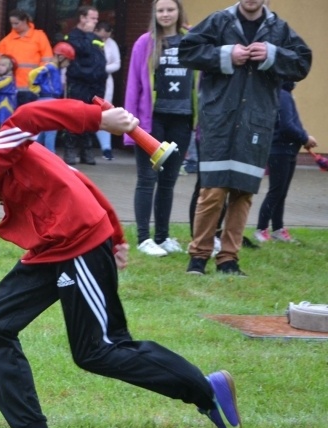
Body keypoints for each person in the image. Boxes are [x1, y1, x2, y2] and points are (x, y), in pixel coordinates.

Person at [0, 98, 243, 428]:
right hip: (54, 245)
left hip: (75, 243)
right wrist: (115, 230)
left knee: (99, 349)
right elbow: (63, 171)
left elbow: (27, 118)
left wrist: (99, 120)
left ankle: (207, 391)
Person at [179, 0, 311, 275]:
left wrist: (272, 54)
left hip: (256, 123)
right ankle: (198, 258)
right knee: (212, 191)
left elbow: (302, 62)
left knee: (243, 192)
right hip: (219, 121)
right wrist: (225, 55)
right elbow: (187, 52)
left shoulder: (279, 29)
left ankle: (229, 259)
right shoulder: (219, 21)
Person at [124, 0, 196, 258]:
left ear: (179, 12)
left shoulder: (192, 40)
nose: (165, 14)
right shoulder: (145, 43)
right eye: (160, 10)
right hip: (151, 123)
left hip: (182, 120)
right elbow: (133, 85)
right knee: (147, 179)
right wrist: (131, 126)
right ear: (154, 14)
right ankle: (144, 238)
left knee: (168, 182)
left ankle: (163, 237)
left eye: (170, 9)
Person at [254, 81, 317, 243]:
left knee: (281, 193)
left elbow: (293, 123)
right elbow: (287, 126)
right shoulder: (282, 95)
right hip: (279, 151)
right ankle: (261, 229)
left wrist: (303, 138)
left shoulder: (285, 94)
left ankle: (278, 229)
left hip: (288, 151)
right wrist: (305, 138)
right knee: (275, 192)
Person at [62, 5, 107, 166]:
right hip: (79, 84)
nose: (96, 22)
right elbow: (80, 54)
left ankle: (87, 151)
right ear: (82, 18)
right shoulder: (72, 37)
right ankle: (70, 151)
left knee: (91, 117)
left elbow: (101, 60)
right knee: (75, 117)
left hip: (95, 85)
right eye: (93, 18)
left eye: (96, 18)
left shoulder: (95, 37)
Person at [0, 9, 54, 107]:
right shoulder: (7, 40)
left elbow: (47, 62)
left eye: (16, 23)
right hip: (10, 89)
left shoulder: (39, 36)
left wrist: (39, 80)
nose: (13, 26)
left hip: (32, 89)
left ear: (25, 21)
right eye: (11, 24)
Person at [29, 42, 75, 152]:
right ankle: (51, 156)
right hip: (48, 100)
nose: (68, 64)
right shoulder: (50, 68)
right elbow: (32, 75)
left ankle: (32, 152)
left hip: (48, 99)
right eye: (68, 60)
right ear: (61, 57)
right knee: (51, 130)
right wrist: (36, 89)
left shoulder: (55, 69)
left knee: (43, 131)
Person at [93, 21, 121, 161]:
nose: (104, 39)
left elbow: (117, 63)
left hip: (105, 80)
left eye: (107, 36)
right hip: (88, 80)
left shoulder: (111, 43)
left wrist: (102, 69)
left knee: (103, 112)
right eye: (102, 36)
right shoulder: (89, 41)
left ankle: (106, 147)